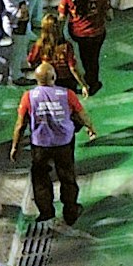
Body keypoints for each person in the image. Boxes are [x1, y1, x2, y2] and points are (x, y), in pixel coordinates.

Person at [18, 63, 87, 227]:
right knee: (67, 176)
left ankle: (46, 212)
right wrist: (90, 127)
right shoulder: (67, 94)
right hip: (63, 143)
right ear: (54, 77)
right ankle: (70, 212)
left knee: (40, 178)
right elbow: (81, 114)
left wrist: (15, 145)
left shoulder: (28, 97)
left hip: (40, 145)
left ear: (36, 79)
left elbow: (20, 124)